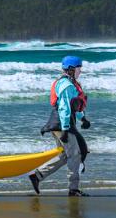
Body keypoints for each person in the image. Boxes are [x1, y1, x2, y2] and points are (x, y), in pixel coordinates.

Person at [29, 55, 91, 197]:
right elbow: (64, 108)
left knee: (67, 154)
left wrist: (83, 118)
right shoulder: (66, 85)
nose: (80, 71)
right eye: (78, 68)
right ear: (70, 69)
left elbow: (74, 106)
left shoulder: (70, 83)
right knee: (75, 155)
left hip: (64, 124)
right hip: (62, 124)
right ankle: (73, 189)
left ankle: (37, 176)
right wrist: (65, 128)